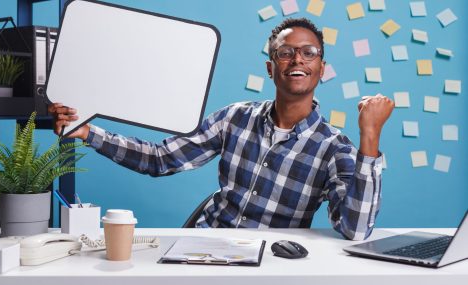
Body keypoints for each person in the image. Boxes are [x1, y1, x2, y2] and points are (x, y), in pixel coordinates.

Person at [49, 18, 394, 240]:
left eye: (309, 53)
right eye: (286, 53)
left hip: (273, 265)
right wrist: (88, 134)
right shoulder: (235, 118)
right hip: (205, 252)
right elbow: (161, 159)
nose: (298, 60)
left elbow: (356, 228)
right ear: (270, 68)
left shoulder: (336, 147)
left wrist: (370, 137)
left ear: (322, 68)